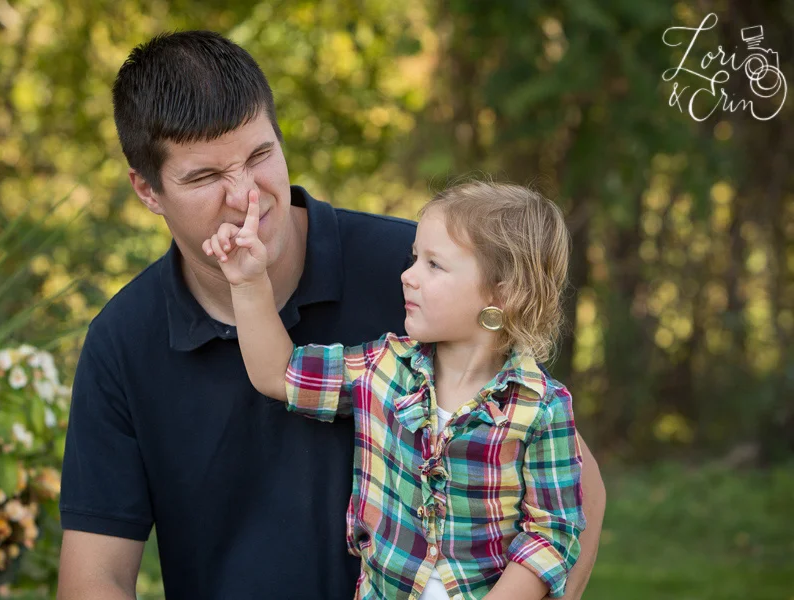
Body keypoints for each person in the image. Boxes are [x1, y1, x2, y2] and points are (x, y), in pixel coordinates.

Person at [57, 30, 605, 600]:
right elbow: (96, 575)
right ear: (147, 190)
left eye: (259, 155)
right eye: (205, 177)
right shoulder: (122, 341)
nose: (248, 196)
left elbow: (573, 489)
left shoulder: (421, 278)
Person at [204, 181, 584, 600]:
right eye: (414, 258)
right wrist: (247, 283)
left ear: (503, 293)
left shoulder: (541, 407)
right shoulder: (382, 369)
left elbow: (553, 532)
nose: (408, 275)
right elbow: (280, 374)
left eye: (434, 265)